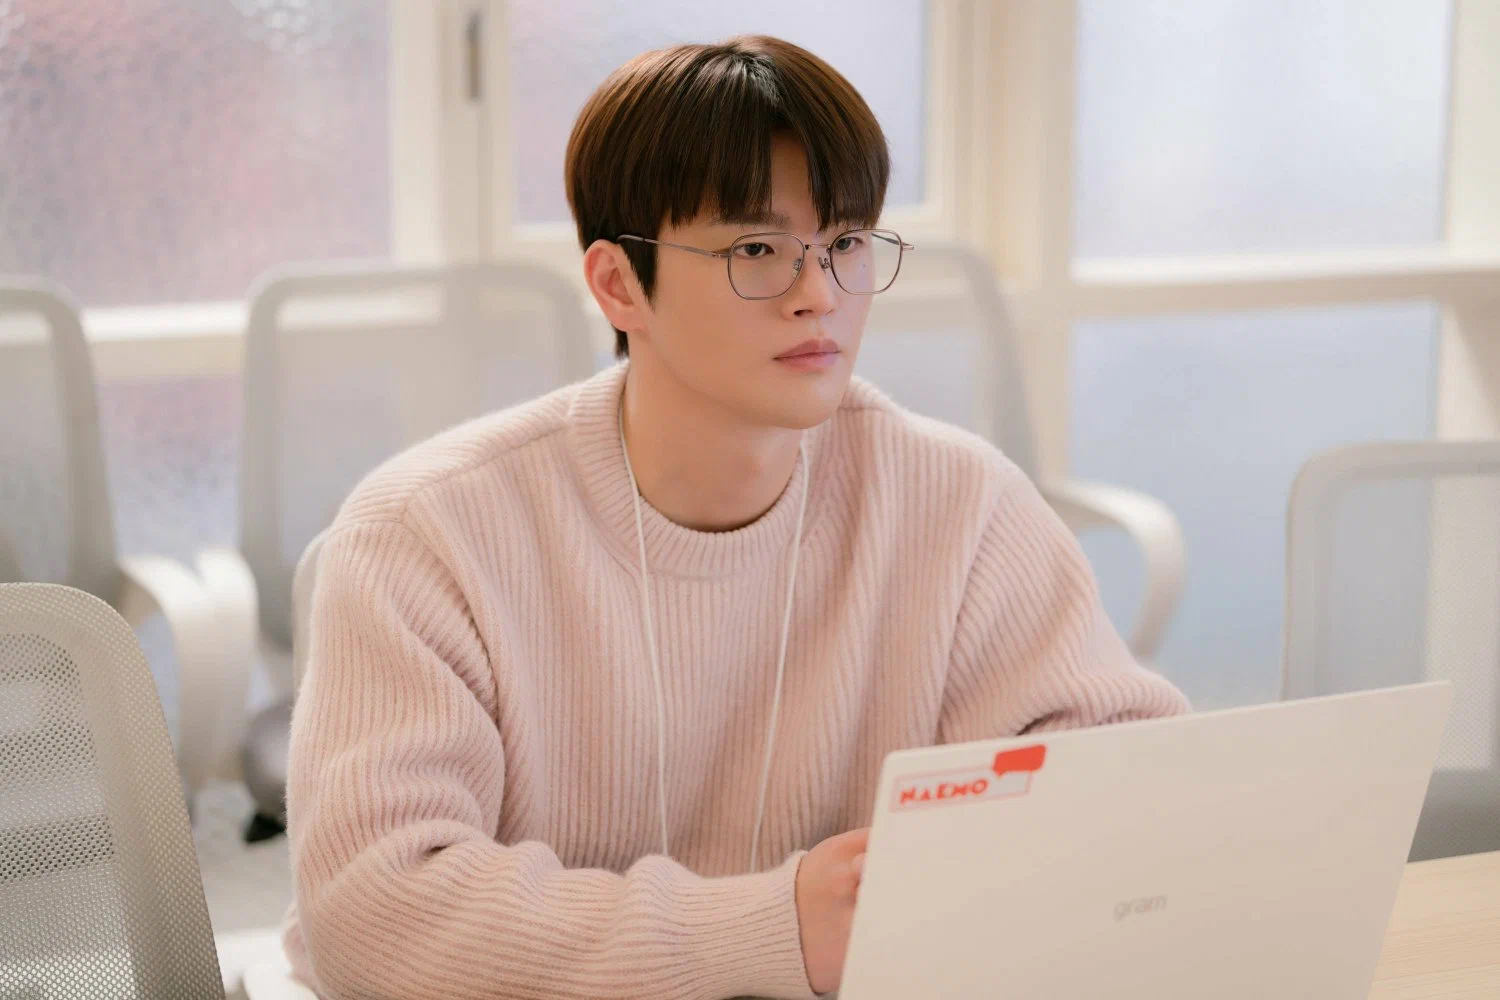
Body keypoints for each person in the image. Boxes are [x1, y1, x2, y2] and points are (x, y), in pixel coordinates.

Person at [281, 34, 1188, 1000]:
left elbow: (1135, 804)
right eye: (757, 250)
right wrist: (769, 927)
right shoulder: (427, 532)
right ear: (618, 285)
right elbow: (373, 913)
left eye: (845, 245)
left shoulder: (964, 505)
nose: (818, 296)